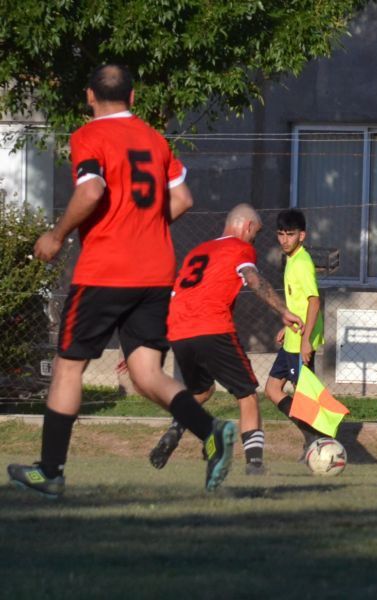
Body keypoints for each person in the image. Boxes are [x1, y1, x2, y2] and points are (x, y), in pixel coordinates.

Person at [7, 64, 236, 498]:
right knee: (147, 373)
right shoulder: (154, 138)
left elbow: (91, 191)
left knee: (68, 368)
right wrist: (142, 226)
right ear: (133, 99)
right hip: (155, 274)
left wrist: (57, 235)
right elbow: (183, 198)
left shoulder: (88, 136)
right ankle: (209, 429)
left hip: (106, 271)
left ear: (89, 98)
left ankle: (50, 472)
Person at [147, 204, 304, 475]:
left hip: (179, 332)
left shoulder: (197, 252)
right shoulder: (240, 249)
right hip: (212, 327)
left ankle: (175, 429)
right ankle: (255, 464)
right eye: (256, 233)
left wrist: (150, 340)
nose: (255, 239)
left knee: (201, 392)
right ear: (247, 226)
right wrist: (283, 310)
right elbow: (253, 280)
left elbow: (173, 296)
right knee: (247, 395)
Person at [263, 209, 327, 452]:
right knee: (272, 389)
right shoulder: (291, 259)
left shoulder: (302, 263)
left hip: (301, 341)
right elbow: (299, 301)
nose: (284, 239)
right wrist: (286, 325)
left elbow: (314, 301)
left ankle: (319, 442)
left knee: (306, 399)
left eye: (290, 234)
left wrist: (306, 340)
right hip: (292, 337)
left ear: (302, 236)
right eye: (280, 234)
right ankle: (312, 438)